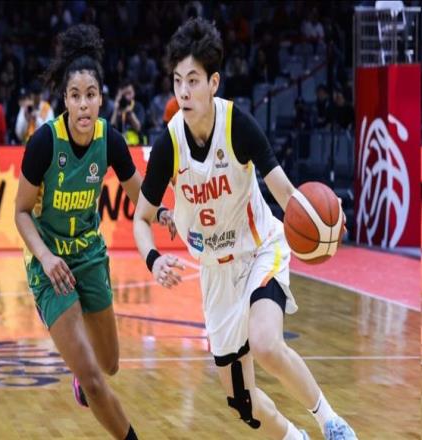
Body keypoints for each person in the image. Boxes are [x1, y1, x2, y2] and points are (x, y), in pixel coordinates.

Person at [133, 18, 357, 440]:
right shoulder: (169, 144)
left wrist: (324, 219)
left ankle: (331, 422)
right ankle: (294, 438)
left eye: (193, 80)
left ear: (213, 82)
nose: (184, 91)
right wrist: (153, 259)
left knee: (266, 343)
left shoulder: (237, 124)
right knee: (243, 403)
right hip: (216, 275)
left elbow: (285, 191)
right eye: (178, 81)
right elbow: (141, 218)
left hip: (259, 249)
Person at [14, 24, 173, 440]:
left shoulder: (111, 140)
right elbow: (21, 212)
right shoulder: (44, 143)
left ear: (101, 98)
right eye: (74, 95)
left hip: (89, 255)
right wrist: (46, 257)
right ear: (64, 100)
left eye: (90, 95)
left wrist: (163, 214)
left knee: (110, 364)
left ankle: (81, 374)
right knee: (95, 379)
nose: (83, 104)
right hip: (51, 263)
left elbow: (140, 196)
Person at [15, 80, 54, 144]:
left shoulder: (47, 108)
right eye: (34, 94)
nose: (36, 97)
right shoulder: (25, 107)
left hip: (42, 145)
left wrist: (36, 118)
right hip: (26, 145)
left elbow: (50, 132)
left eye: (38, 93)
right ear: (30, 94)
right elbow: (19, 134)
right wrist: (26, 119)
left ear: (41, 94)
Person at [110, 79, 146, 145]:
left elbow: (138, 128)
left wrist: (130, 112)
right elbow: (111, 128)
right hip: (119, 144)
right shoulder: (115, 107)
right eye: (124, 94)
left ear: (134, 93)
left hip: (137, 144)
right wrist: (116, 110)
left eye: (129, 93)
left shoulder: (138, 107)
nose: (127, 97)